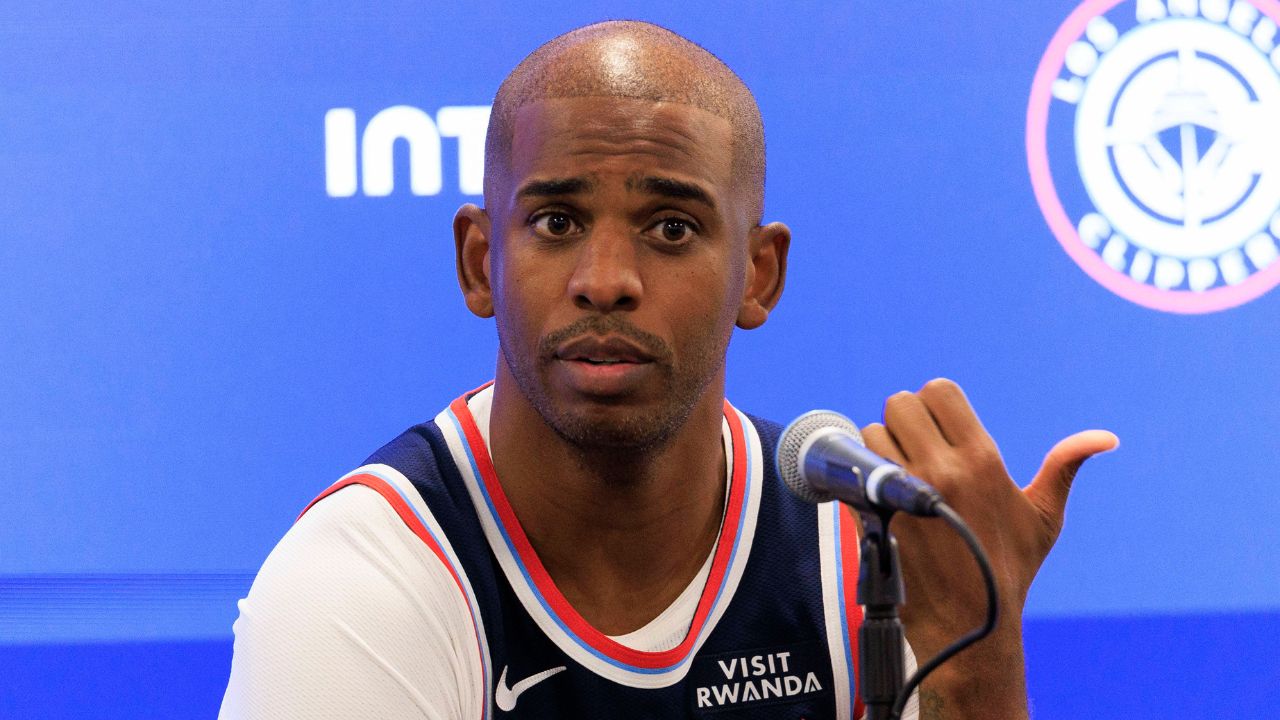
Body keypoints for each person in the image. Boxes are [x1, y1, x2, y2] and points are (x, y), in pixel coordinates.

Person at [219, 20, 1118, 720]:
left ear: (757, 275)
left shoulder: (869, 555)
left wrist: (980, 654)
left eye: (672, 228)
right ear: (478, 262)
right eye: (557, 223)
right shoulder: (362, 583)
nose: (606, 280)